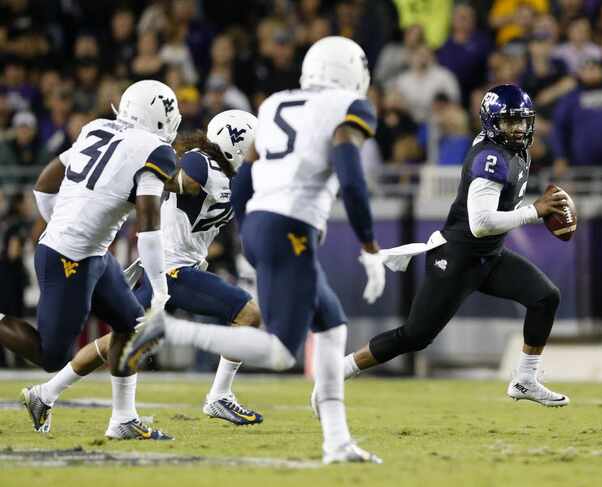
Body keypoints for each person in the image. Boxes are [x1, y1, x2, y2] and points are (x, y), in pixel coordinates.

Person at [126, 36, 386, 464]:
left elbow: (245, 181)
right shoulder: (349, 106)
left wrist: (253, 229)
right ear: (353, 72)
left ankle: (337, 442)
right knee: (282, 350)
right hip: (289, 225)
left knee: (332, 323)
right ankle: (168, 330)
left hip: (267, 223)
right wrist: (370, 244)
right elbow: (351, 176)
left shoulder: (275, 103)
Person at [20, 110, 267, 433]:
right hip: (171, 269)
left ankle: (45, 393)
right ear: (237, 144)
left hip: (177, 266)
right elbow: (182, 178)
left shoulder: (232, 176)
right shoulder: (200, 163)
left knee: (124, 338)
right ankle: (219, 395)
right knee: (248, 314)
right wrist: (163, 179)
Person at [335, 85, 571, 408]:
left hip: (489, 256)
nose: (517, 129)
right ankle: (339, 370)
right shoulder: (491, 157)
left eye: (522, 121)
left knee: (545, 297)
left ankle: (525, 379)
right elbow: (481, 223)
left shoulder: (519, 151)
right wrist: (536, 211)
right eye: (508, 122)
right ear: (491, 123)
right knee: (415, 336)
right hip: (457, 258)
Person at [0, 79, 182, 440]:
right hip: (70, 257)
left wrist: (63, 221)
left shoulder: (97, 128)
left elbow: (44, 182)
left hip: (87, 252)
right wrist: (160, 289)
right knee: (51, 354)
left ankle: (123, 419)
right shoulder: (154, 151)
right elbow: (148, 228)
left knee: (130, 327)